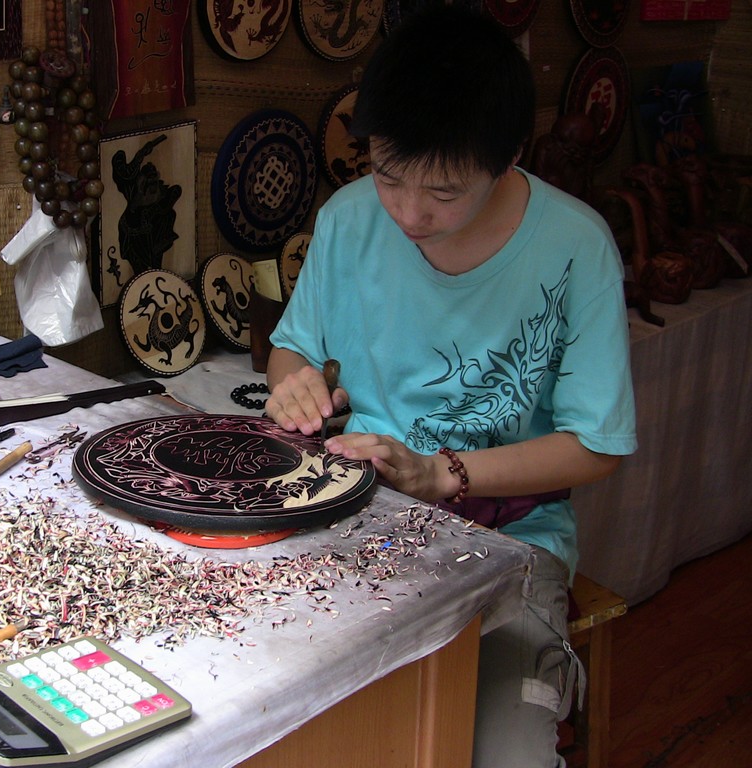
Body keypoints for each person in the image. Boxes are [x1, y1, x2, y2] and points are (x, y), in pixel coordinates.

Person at [264, 6, 637, 767]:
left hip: (509, 538)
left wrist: (442, 475)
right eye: (387, 175)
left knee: (505, 752)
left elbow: (597, 445)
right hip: (360, 514)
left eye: (443, 191)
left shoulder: (576, 247)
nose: (408, 212)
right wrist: (294, 383)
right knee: (302, 718)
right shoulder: (349, 219)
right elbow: (293, 346)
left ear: (507, 158)